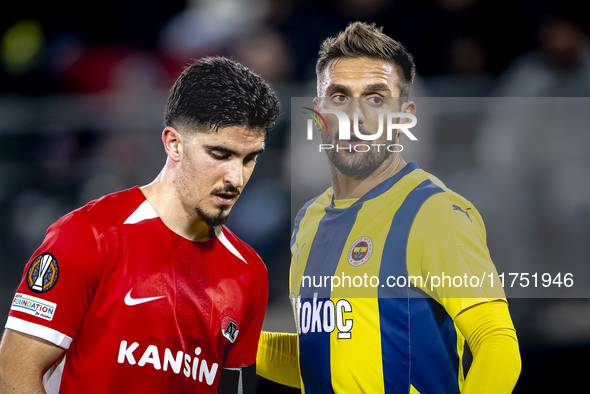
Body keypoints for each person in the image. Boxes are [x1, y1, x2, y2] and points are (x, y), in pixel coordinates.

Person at [257, 22, 521, 393]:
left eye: (376, 98)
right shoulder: (309, 220)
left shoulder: (434, 213)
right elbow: (323, 360)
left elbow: (497, 344)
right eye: (339, 97)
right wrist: (219, 337)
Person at [0, 56, 280, 394]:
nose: (236, 178)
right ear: (173, 143)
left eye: (250, 158)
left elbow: (236, 387)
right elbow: (14, 370)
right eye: (221, 155)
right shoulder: (89, 234)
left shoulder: (249, 272)